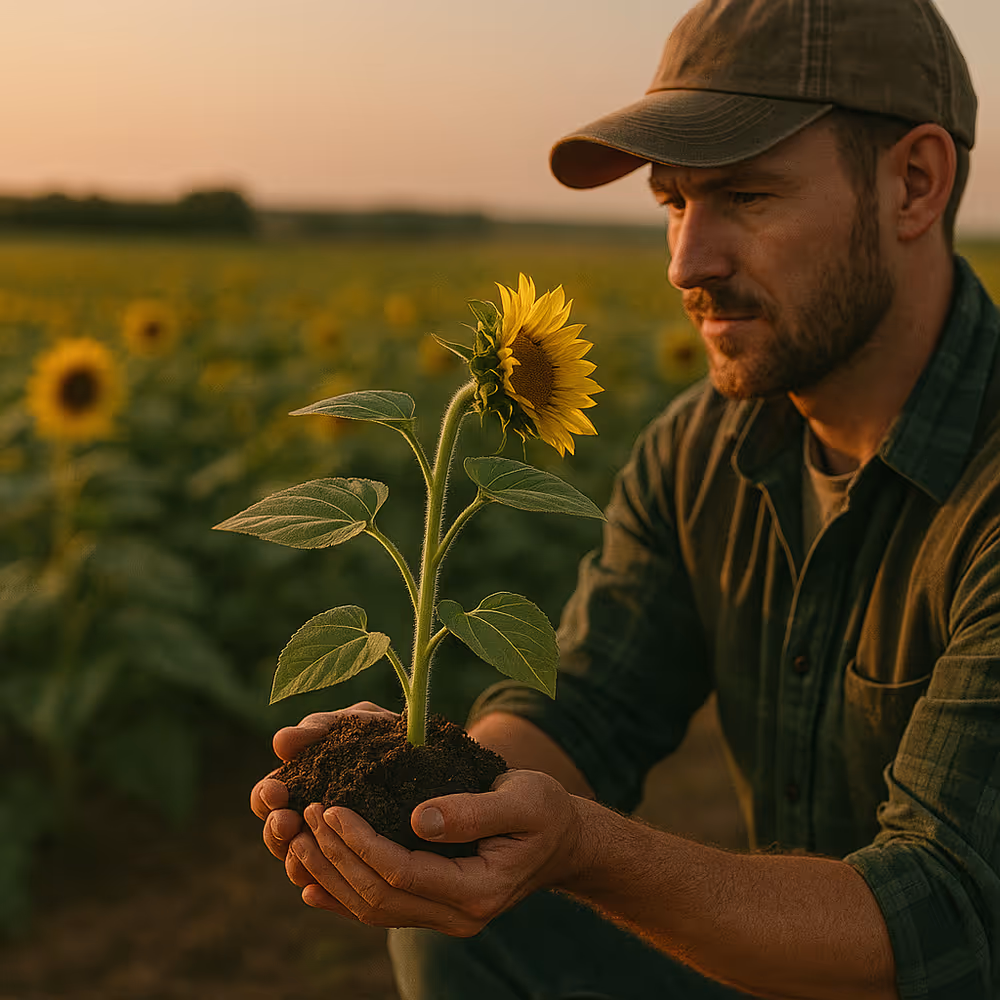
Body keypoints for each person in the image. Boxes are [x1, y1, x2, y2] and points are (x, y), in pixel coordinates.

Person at [250, 0, 1000, 996]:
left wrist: (580, 849)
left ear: (913, 184)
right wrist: (442, 789)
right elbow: (587, 710)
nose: (687, 262)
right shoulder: (702, 448)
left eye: (746, 195)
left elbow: (941, 914)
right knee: (465, 931)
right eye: (674, 204)